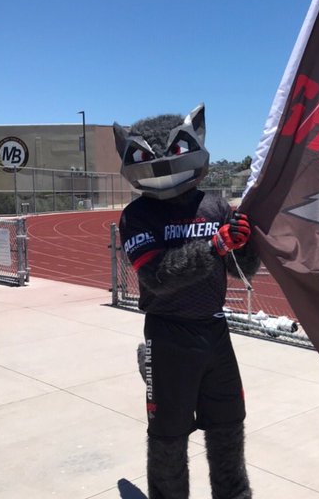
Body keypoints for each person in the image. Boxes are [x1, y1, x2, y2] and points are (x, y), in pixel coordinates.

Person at [115, 106, 259, 499]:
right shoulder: (137, 215)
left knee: (229, 428)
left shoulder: (214, 205)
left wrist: (248, 242)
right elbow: (157, 276)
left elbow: (239, 268)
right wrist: (214, 246)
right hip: (169, 335)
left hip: (215, 331)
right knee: (168, 438)